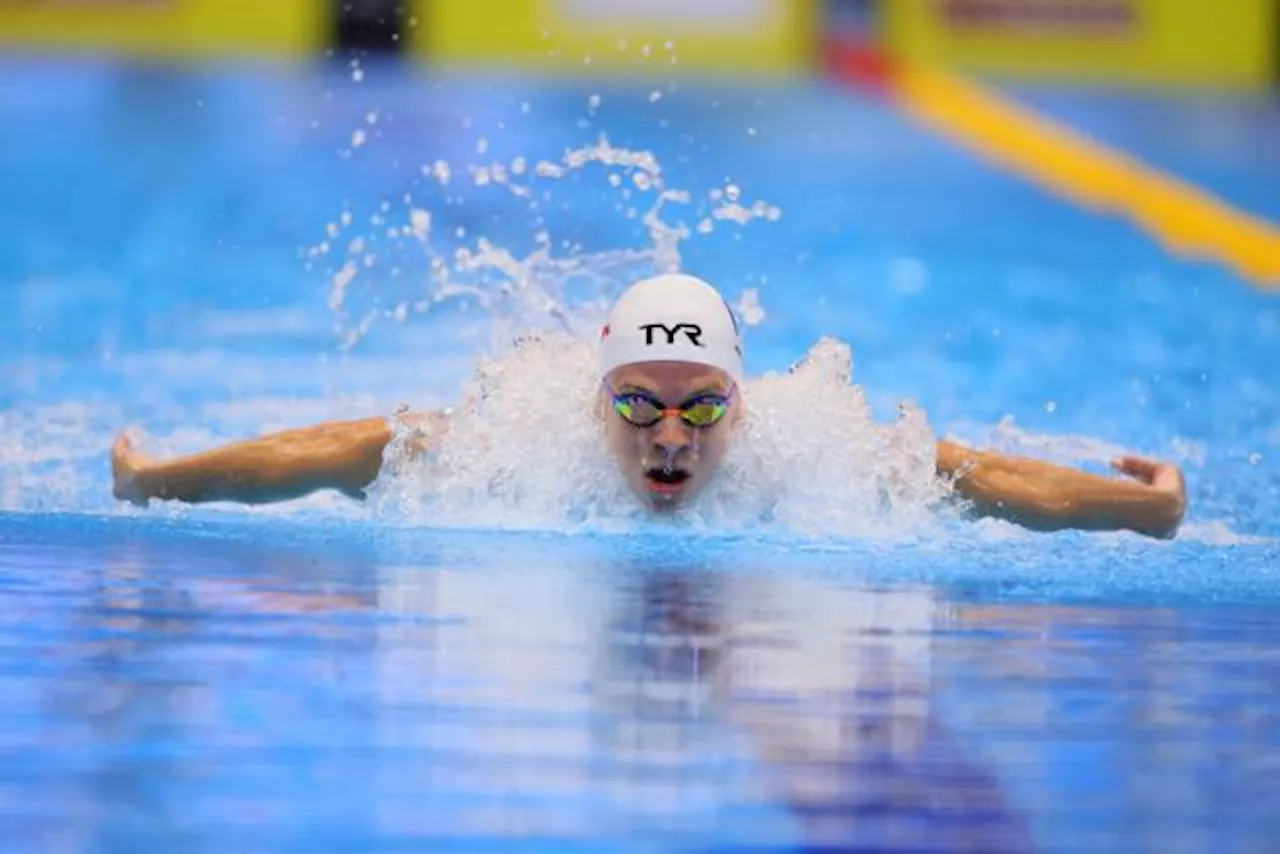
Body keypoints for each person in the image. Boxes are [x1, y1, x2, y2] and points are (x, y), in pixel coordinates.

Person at [110, 273, 1187, 538]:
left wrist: (1147, 509)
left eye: (702, 408)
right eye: (639, 404)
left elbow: (980, 475)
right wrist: (157, 478)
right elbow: (344, 447)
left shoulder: (808, 447)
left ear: (742, 401)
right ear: (597, 397)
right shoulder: (519, 445)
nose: (670, 436)